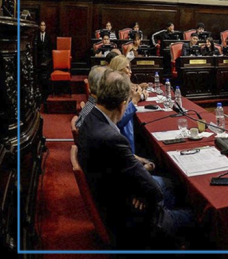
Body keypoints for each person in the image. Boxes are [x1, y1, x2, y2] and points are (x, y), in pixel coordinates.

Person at [76, 69, 194, 249]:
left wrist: (140, 181)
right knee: (196, 214)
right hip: (127, 218)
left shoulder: (89, 115)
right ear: (123, 104)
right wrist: (140, 191)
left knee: (171, 184)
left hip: (114, 192)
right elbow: (154, 192)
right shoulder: (110, 138)